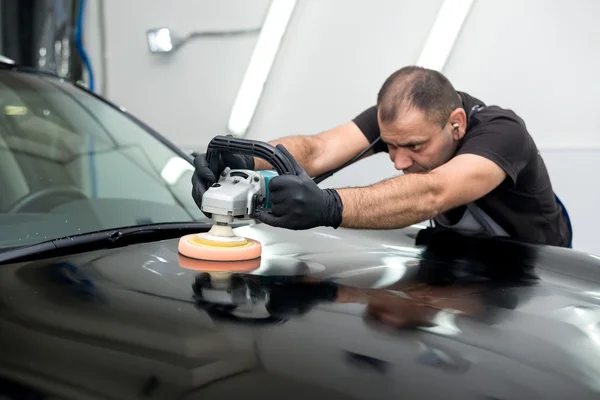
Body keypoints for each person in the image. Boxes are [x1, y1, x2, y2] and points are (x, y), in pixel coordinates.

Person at [191, 65, 572, 248]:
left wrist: (329, 207)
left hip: (540, 270)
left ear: (455, 124)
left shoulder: (504, 133)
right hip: (460, 261)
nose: (399, 161)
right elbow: (321, 148)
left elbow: (433, 193)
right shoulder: (402, 124)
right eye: (390, 145)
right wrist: (244, 162)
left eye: (415, 147)